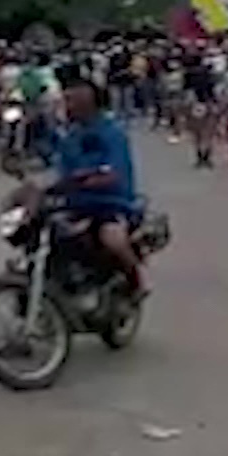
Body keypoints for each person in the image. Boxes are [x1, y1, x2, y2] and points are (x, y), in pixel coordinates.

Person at [48, 75, 146, 295]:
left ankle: (135, 281)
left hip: (110, 205)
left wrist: (87, 180)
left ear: (88, 104)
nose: (66, 106)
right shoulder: (69, 135)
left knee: (112, 238)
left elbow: (114, 173)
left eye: (71, 101)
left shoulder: (112, 133)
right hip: (74, 204)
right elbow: (54, 167)